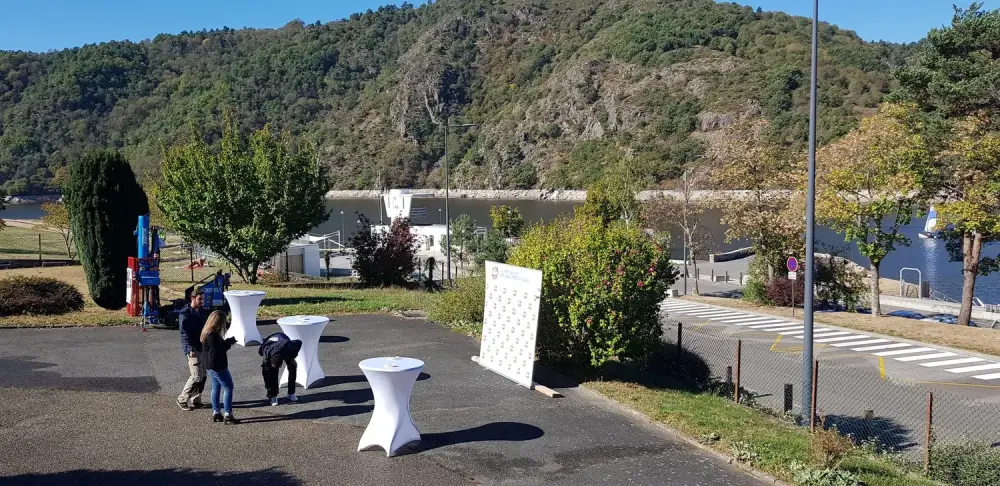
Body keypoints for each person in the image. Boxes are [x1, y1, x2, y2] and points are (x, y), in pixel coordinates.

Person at [200, 310, 241, 424]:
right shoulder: (212, 334)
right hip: (217, 365)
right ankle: (228, 414)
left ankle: (216, 412)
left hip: (210, 365)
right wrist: (228, 343)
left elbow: (216, 347)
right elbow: (218, 351)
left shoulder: (206, 331)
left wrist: (226, 342)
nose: (224, 324)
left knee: (216, 387)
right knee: (228, 387)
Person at [176, 289, 209, 411]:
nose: (202, 302)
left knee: (203, 376)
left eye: (203, 299)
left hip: (202, 348)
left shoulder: (202, 312)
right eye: (200, 299)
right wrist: (190, 349)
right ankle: (182, 399)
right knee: (196, 376)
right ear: (193, 298)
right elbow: (184, 334)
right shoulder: (185, 314)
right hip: (192, 349)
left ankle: (196, 399)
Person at [258, 332, 303, 406]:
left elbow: (299, 342)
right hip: (271, 342)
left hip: (284, 343)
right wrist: (269, 390)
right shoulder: (266, 351)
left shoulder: (288, 346)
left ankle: (291, 393)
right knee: (270, 373)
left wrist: (294, 354)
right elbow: (265, 374)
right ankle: (273, 396)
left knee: (293, 366)